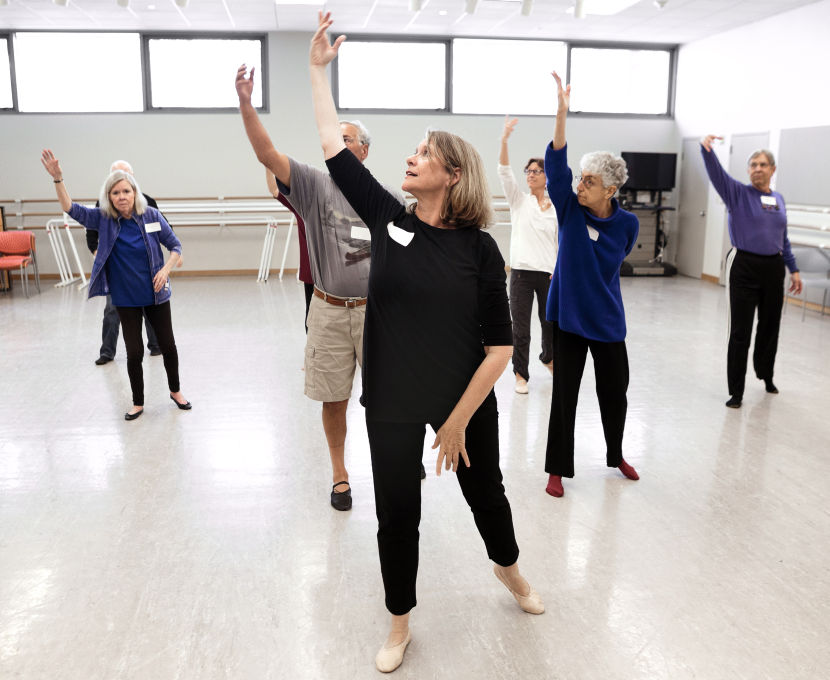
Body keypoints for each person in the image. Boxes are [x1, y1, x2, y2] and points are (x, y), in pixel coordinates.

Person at [308, 13, 544, 673]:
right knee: (397, 515)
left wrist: (459, 420)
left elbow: (500, 347)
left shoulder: (478, 249)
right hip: (390, 396)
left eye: (421, 152)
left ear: (450, 174)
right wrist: (317, 72)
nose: (408, 160)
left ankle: (510, 570)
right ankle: (399, 621)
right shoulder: (389, 220)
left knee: (486, 495)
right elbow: (333, 148)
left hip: (461, 394)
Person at [236, 60, 413, 512]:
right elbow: (267, 154)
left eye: (347, 138)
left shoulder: (388, 197)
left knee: (387, 399)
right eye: (336, 137)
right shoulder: (315, 184)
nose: (337, 142)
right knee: (334, 399)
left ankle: (390, 466)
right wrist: (245, 103)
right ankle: (339, 475)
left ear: (365, 151)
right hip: (330, 309)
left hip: (380, 315)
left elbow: (416, 252)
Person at [543, 72, 640, 499]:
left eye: (590, 181)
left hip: (607, 321)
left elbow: (619, 259)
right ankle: (557, 470)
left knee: (614, 392)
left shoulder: (628, 224)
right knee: (564, 397)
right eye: (580, 178)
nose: (580, 185)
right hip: (566, 317)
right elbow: (555, 166)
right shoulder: (569, 208)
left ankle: (616, 453)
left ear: (611, 189)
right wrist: (561, 116)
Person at [41, 149, 190, 421]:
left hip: (157, 294)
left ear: (135, 192)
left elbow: (176, 246)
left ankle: (176, 391)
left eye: (126, 191)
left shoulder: (152, 216)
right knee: (134, 352)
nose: (121, 197)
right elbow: (70, 208)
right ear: (108, 196)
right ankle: (138, 402)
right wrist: (58, 179)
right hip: (125, 296)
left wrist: (166, 269)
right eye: (115, 193)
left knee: (168, 346)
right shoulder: (103, 219)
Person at [700, 135, 802, 409]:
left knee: (770, 326)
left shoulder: (778, 200)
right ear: (748, 170)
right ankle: (736, 391)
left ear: (772, 169)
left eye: (763, 164)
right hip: (743, 265)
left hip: (773, 268)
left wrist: (793, 269)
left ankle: (766, 375)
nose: (758, 168)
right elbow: (717, 174)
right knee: (740, 331)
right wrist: (707, 150)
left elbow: (783, 238)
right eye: (753, 164)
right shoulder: (737, 193)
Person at [498, 116, 559, 394]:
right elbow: (504, 172)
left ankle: (548, 358)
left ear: (547, 177)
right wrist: (504, 140)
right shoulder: (518, 201)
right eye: (529, 171)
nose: (531, 174)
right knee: (521, 329)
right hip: (521, 275)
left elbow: (561, 243)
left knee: (550, 324)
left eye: (537, 171)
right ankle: (520, 374)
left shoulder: (557, 207)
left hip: (549, 274)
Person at [90, 160, 162, 365]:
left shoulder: (147, 202)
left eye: (125, 177)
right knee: (112, 309)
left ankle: (156, 345)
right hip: (117, 269)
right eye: (115, 178)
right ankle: (107, 352)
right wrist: (96, 251)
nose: (120, 185)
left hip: (145, 267)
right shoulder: (103, 206)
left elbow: (162, 226)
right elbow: (91, 233)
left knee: (149, 306)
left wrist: (170, 252)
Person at [265, 169, 314, 331]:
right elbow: (274, 190)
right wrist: (268, 165)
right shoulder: (301, 208)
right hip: (311, 274)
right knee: (311, 312)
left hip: (329, 274)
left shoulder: (324, 208)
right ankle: (313, 349)